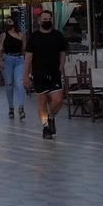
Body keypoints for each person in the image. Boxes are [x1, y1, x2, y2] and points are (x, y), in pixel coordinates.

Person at [25, 9, 67, 139]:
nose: (47, 21)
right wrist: (25, 74)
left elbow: (63, 52)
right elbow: (28, 57)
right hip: (39, 72)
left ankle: (51, 117)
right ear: (39, 21)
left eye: (49, 19)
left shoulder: (58, 35)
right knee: (42, 101)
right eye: (45, 19)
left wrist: (61, 66)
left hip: (54, 72)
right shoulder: (34, 37)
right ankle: (45, 127)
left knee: (58, 100)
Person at [0, 19, 27, 120]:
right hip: (7, 59)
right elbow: (0, 49)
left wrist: (27, 63)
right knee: (9, 84)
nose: (8, 23)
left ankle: (21, 107)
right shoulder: (3, 35)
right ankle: (11, 107)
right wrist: (0, 60)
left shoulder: (21, 35)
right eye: (7, 22)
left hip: (19, 59)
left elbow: (24, 49)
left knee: (19, 83)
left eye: (10, 21)